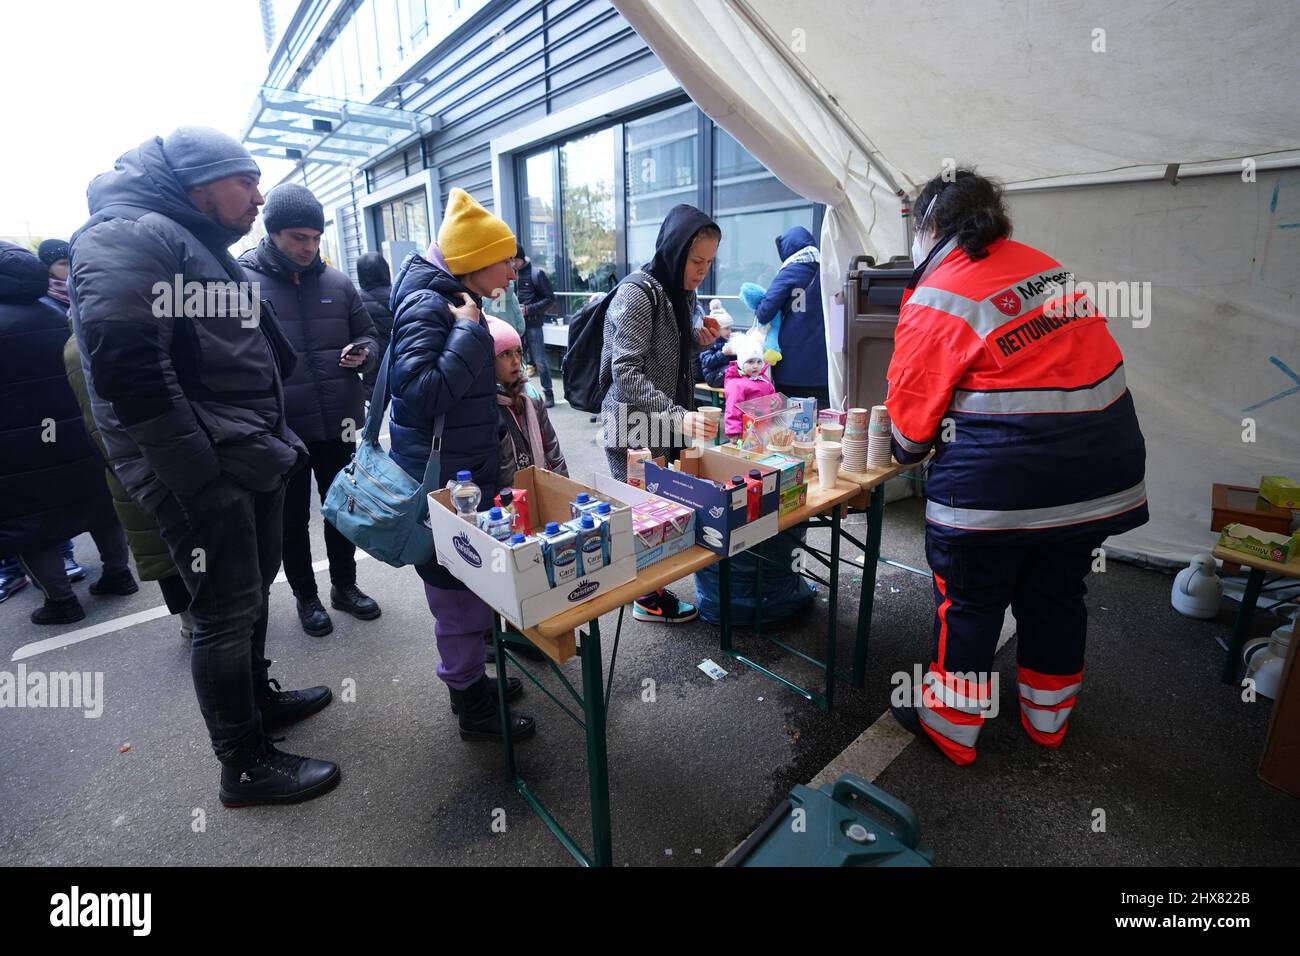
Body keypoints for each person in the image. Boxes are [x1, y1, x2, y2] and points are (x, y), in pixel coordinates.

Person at [70, 127, 337, 806]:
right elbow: (133, 377)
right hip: (202, 470)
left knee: (247, 596)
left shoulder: (183, 236)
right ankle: (243, 765)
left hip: (240, 453)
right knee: (221, 610)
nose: (257, 197)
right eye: (243, 181)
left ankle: (257, 704)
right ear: (198, 181)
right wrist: (202, 483)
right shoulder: (128, 235)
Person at [885, 168, 1148, 766]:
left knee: (972, 600)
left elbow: (907, 438)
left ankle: (952, 727)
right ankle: (1048, 720)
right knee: (1055, 592)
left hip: (1000, 486)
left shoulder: (937, 294)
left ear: (929, 225)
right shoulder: (1049, 269)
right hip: (1099, 479)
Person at [387, 188, 534, 742]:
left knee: (472, 589)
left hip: (464, 478)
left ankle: (474, 683)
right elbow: (421, 394)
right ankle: (471, 706)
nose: (514, 274)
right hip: (446, 489)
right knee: (455, 598)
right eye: (506, 261)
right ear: (475, 260)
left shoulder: (447, 296)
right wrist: (472, 334)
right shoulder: (434, 305)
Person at [238, 184, 381, 638]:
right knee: (291, 520)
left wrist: (365, 351)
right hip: (281, 430)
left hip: (338, 421)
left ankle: (345, 586)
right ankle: (306, 596)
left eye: (316, 238)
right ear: (273, 232)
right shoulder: (241, 283)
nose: (309, 247)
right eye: (299, 237)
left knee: (341, 509)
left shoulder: (338, 284)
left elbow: (373, 337)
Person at [0, 242, 135, 624]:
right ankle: (118, 574)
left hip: (17, 446)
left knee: (31, 522)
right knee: (98, 503)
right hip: (76, 430)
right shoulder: (56, 311)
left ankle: (61, 600)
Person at [599, 204, 721, 624]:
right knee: (640, 512)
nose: (703, 270)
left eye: (709, 261)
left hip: (662, 423)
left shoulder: (680, 293)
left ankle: (652, 590)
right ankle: (646, 598)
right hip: (631, 425)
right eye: (696, 259)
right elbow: (625, 371)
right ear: (675, 249)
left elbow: (668, 351)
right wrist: (677, 415)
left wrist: (698, 341)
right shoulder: (637, 292)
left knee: (661, 509)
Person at [36, 237, 86, 583]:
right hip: (50, 409)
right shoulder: (47, 305)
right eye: (61, 264)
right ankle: (64, 554)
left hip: (72, 405)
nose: (68, 271)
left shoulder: (75, 298)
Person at [754, 226, 829, 410]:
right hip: (824, 369)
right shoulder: (828, 271)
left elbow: (764, 312)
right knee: (818, 423)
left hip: (791, 368)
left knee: (791, 425)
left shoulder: (791, 271)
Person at [513, 245, 556, 407]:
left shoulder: (536, 274)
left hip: (533, 325)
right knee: (517, 361)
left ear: (522, 258)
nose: (513, 264)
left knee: (539, 361)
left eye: (515, 260)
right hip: (516, 326)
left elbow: (550, 299)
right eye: (511, 260)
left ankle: (549, 394)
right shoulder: (510, 274)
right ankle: (520, 396)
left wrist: (529, 309)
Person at [723, 326, 776, 440]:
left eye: (759, 361)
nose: (755, 366)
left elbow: (773, 396)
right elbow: (732, 409)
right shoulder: (737, 384)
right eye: (750, 362)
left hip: (764, 428)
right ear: (741, 363)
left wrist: (775, 402)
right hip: (746, 431)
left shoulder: (764, 379)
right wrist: (734, 433)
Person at [355, 252, 395, 403]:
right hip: (400, 355)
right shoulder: (398, 293)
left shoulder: (357, 299)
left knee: (375, 413)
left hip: (375, 361)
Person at [698, 298, 735, 388]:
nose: (729, 331)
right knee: (732, 371)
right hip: (712, 376)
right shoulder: (708, 341)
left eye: (730, 328)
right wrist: (722, 354)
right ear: (717, 329)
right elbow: (707, 362)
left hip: (726, 372)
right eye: (726, 328)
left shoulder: (728, 340)